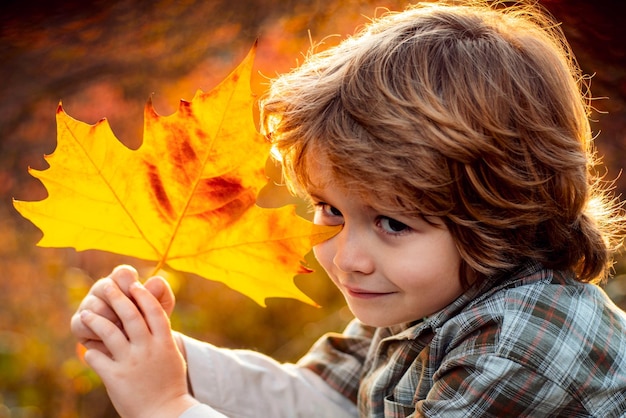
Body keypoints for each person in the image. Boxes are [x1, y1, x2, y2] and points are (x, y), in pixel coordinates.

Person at [70, 1, 626, 417]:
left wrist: (167, 406)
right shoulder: (429, 294)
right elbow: (323, 403)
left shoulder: (522, 346)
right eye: (329, 210)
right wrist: (161, 356)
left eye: (392, 222)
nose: (348, 257)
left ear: (502, 215)